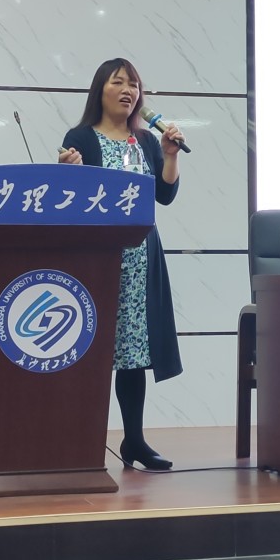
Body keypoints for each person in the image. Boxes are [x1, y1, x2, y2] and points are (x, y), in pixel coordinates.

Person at [58, 58, 185, 471]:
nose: (128, 90)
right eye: (118, 82)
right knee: (91, 350)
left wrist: (170, 155)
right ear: (101, 90)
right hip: (97, 259)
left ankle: (134, 441)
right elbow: (71, 200)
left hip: (139, 260)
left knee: (132, 351)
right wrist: (69, 174)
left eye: (133, 84)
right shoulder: (81, 138)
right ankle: (80, 441)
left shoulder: (146, 140)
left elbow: (164, 195)